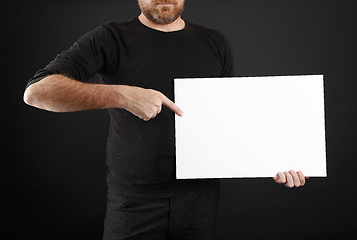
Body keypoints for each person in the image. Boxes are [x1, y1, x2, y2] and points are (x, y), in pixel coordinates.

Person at [23, 0, 307, 239]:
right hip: (133, 204)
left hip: (200, 203)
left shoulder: (215, 43)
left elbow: (229, 124)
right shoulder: (109, 37)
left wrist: (274, 157)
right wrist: (121, 95)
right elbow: (37, 92)